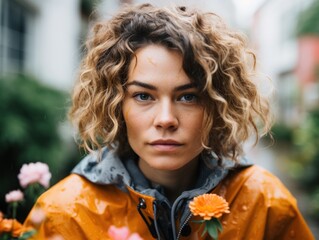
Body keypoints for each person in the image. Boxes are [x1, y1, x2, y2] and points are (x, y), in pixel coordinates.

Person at [23, 3, 314, 240]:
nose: (166, 120)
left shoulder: (265, 204)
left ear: (217, 103)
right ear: (115, 104)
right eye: (143, 96)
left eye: (188, 97)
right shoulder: (63, 214)